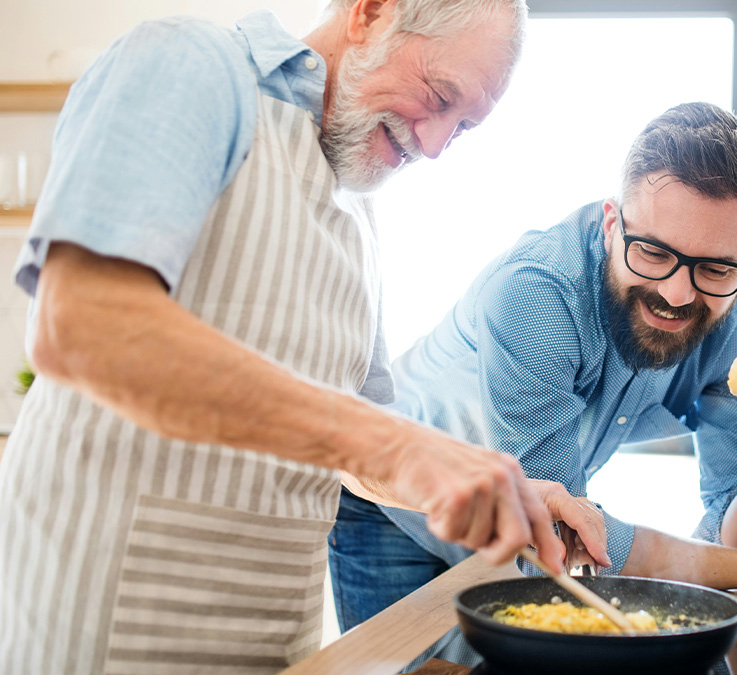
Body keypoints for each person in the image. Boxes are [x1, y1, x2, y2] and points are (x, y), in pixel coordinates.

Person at [0, 1, 569, 673]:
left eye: (464, 127)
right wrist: (394, 442)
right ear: (371, 12)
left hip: (275, 640)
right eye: (438, 97)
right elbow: (83, 326)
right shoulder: (191, 64)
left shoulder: (359, 209)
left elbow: (365, 445)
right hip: (104, 625)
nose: (438, 143)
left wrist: (493, 486)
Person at [330, 102, 737, 633]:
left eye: (717, 267)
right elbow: (564, 536)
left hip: (520, 531)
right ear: (612, 224)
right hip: (395, 514)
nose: (677, 294)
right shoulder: (536, 291)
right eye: (652, 252)